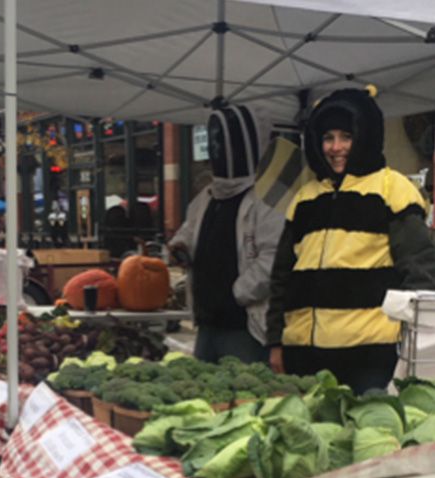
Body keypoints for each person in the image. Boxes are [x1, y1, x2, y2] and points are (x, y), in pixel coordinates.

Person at [266, 86, 435, 393]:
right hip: (305, 356)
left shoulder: (392, 189)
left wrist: (413, 347)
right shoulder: (304, 198)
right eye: (328, 138)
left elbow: (421, 272)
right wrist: (276, 341)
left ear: (365, 136)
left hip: (369, 359)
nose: (336, 147)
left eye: (346, 136)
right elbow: (282, 278)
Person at [168, 104, 284, 363]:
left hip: (244, 327)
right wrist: (179, 248)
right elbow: (188, 232)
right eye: (215, 142)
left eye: (226, 142)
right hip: (207, 323)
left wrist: (235, 293)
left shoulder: (269, 200)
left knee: (242, 395)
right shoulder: (205, 198)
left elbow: (273, 260)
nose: (218, 150)